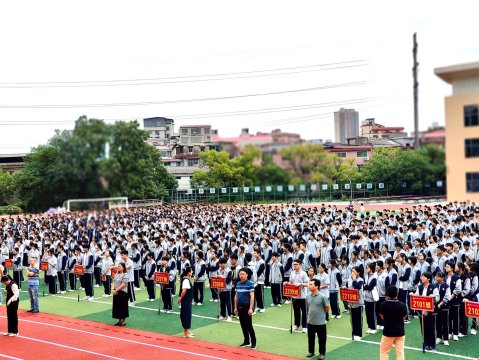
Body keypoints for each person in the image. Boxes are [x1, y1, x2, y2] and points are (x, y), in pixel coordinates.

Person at [379, 285, 407, 360]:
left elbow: (382, 317)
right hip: (400, 332)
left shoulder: (383, 305)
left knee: (384, 352)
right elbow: (403, 318)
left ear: (387, 294)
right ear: (397, 293)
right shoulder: (402, 305)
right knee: (400, 353)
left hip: (388, 332)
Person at [306, 278, 330, 360]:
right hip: (310, 322)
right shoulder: (308, 296)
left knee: (322, 339)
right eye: (309, 284)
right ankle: (311, 351)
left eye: (311, 284)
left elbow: (327, 308)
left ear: (316, 286)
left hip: (320, 323)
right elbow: (308, 306)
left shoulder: (322, 296)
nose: (309, 285)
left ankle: (322, 353)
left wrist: (321, 314)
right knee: (310, 338)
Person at [415, 271, 439, 351]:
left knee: (431, 328)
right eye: (422, 276)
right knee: (423, 327)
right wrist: (413, 295)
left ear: (428, 278)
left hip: (431, 310)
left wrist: (433, 297)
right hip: (422, 310)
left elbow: (437, 298)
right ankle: (425, 343)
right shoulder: (420, 287)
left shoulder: (434, 287)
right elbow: (417, 295)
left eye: (424, 276)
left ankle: (432, 345)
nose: (422, 278)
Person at [235, 268, 256, 349]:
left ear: (247, 275)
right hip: (239, 307)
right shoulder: (238, 284)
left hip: (247, 307)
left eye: (243, 274)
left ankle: (253, 342)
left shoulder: (250, 284)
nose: (241, 276)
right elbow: (236, 296)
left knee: (249, 325)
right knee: (242, 325)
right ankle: (246, 341)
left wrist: (251, 308)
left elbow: (252, 296)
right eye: (240, 274)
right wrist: (235, 307)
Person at [289, 259, 309, 332]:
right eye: (293, 264)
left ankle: (305, 326)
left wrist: (301, 284)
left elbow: (307, 284)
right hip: (294, 295)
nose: (294, 266)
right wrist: (286, 283)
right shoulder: (292, 273)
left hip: (303, 296)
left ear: (300, 265)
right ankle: (297, 325)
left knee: (304, 311)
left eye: (296, 264)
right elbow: (291, 282)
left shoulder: (303, 273)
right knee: (296, 311)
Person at [177, 266, 194, 338]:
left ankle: (187, 331)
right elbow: (184, 291)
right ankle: (185, 333)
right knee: (186, 315)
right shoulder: (186, 281)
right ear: (189, 273)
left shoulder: (186, 279)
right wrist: (180, 298)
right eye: (191, 271)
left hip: (187, 301)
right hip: (186, 301)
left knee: (186, 315)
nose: (192, 272)